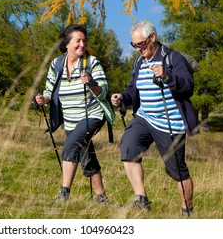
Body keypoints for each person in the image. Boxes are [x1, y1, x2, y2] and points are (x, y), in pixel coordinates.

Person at [111, 20, 198, 215]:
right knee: (129, 147)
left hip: (170, 122)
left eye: (141, 44)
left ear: (152, 38)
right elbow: (134, 90)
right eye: (134, 45)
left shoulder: (172, 58)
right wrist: (122, 97)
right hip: (144, 118)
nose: (137, 49)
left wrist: (168, 77)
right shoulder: (139, 62)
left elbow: (188, 87)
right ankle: (141, 199)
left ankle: (187, 210)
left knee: (177, 169)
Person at [36, 24, 109, 203]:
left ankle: (64, 193)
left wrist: (91, 83)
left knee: (70, 146)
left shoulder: (92, 63)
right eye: (78, 41)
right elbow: (49, 89)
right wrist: (43, 99)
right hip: (69, 120)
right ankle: (101, 197)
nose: (82, 44)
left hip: (92, 115)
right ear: (67, 43)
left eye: (84, 41)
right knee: (86, 155)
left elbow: (104, 90)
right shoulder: (57, 63)